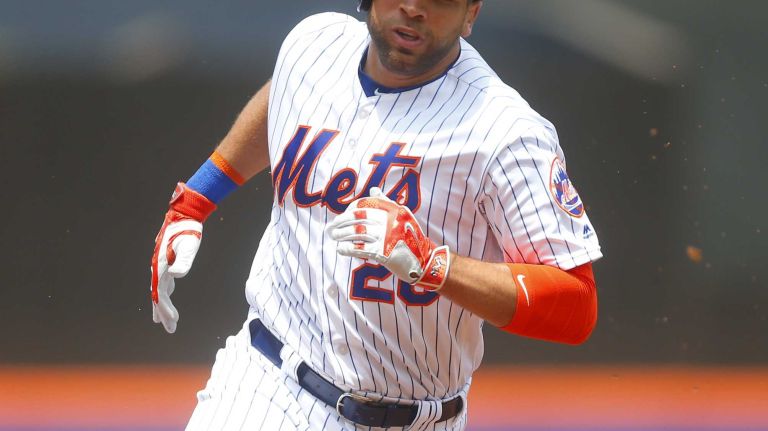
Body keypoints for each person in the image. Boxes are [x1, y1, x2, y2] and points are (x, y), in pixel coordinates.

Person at [149, 0, 603, 429]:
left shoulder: (504, 132)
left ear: (471, 14)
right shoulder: (314, 45)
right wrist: (196, 199)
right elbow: (286, 95)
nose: (414, 8)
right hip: (269, 381)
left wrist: (435, 265)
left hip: (422, 414)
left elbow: (575, 304)